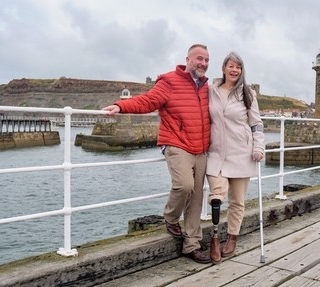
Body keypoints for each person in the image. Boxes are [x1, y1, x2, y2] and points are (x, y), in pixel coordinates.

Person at [102, 44, 211, 264]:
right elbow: (148, 100)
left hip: (201, 147)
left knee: (197, 197)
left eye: (207, 60)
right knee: (184, 185)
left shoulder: (208, 87)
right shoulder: (169, 81)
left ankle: (192, 245)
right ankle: (171, 218)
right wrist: (121, 106)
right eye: (200, 59)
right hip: (177, 143)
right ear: (187, 59)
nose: (204, 64)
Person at [206, 52, 265, 264]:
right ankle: (214, 237)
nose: (234, 70)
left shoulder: (247, 93)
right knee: (216, 196)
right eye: (231, 66)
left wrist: (258, 147)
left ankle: (232, 236)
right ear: (223, 68)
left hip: (242, 153)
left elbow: (256, 124)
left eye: (238, 67)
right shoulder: (211, 90)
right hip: (216, 153)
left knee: (237, 201)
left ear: (241, 70)